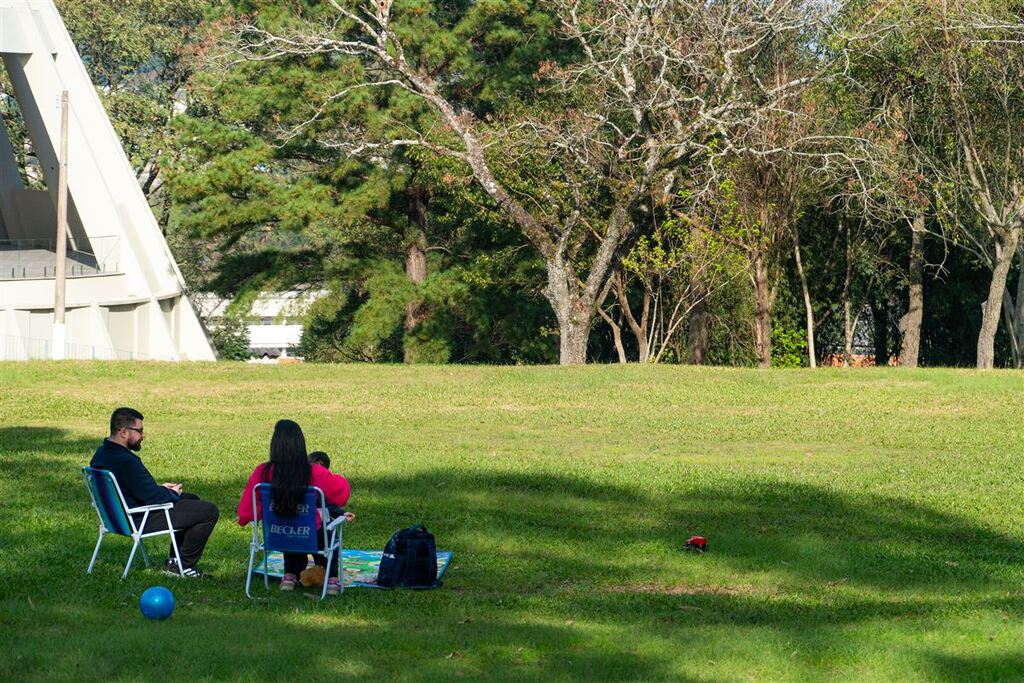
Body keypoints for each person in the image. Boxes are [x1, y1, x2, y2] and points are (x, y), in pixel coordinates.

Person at [90, 407, 220, 578]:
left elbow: (134, 487)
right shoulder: (127, 461)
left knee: (191, 499)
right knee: (208, 511)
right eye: (140, 430)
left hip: (115, 517)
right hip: (138, 519)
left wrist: (164, 489)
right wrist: (172, 492)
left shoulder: (102, 454)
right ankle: (183, 566)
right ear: (123, 432)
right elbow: (155, 498)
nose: (143, 436)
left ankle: (175, 560)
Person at [238, 420, 351, 594]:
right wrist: (339, 478)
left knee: (288, 524)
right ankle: (332, 578)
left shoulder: (263, 473)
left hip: (278, 535)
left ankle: (290, 575)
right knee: (324, 530)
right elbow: (341, 495)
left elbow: (245, 513)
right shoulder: (315, 472)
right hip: (311, 534)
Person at [308, 451, 356, 523]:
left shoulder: (292, 487)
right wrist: (341, 513)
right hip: (314, 528)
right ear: (319, 464)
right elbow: (324, 504)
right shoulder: (315, 491)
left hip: (288, 528)